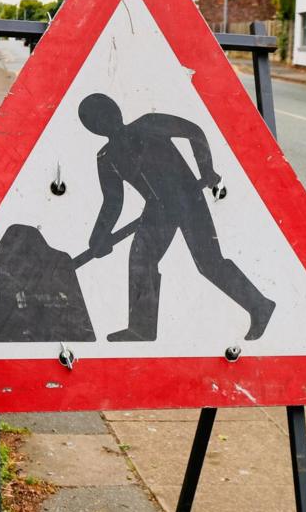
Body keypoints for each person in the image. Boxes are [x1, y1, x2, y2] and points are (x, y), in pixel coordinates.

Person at [79, 93, 275, 342]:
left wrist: (206, 169)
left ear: (116, 110)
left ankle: (260, 306)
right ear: (92, 128)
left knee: (209, 262)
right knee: (141, 259)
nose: (104, 122)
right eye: (95, 121)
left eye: (106, 114)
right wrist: (98, 236)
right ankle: (142, 328)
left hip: (187, 196)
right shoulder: (106, 157)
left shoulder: (148, 123)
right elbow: (113, 201)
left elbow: (194, 131)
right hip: (156, 209)